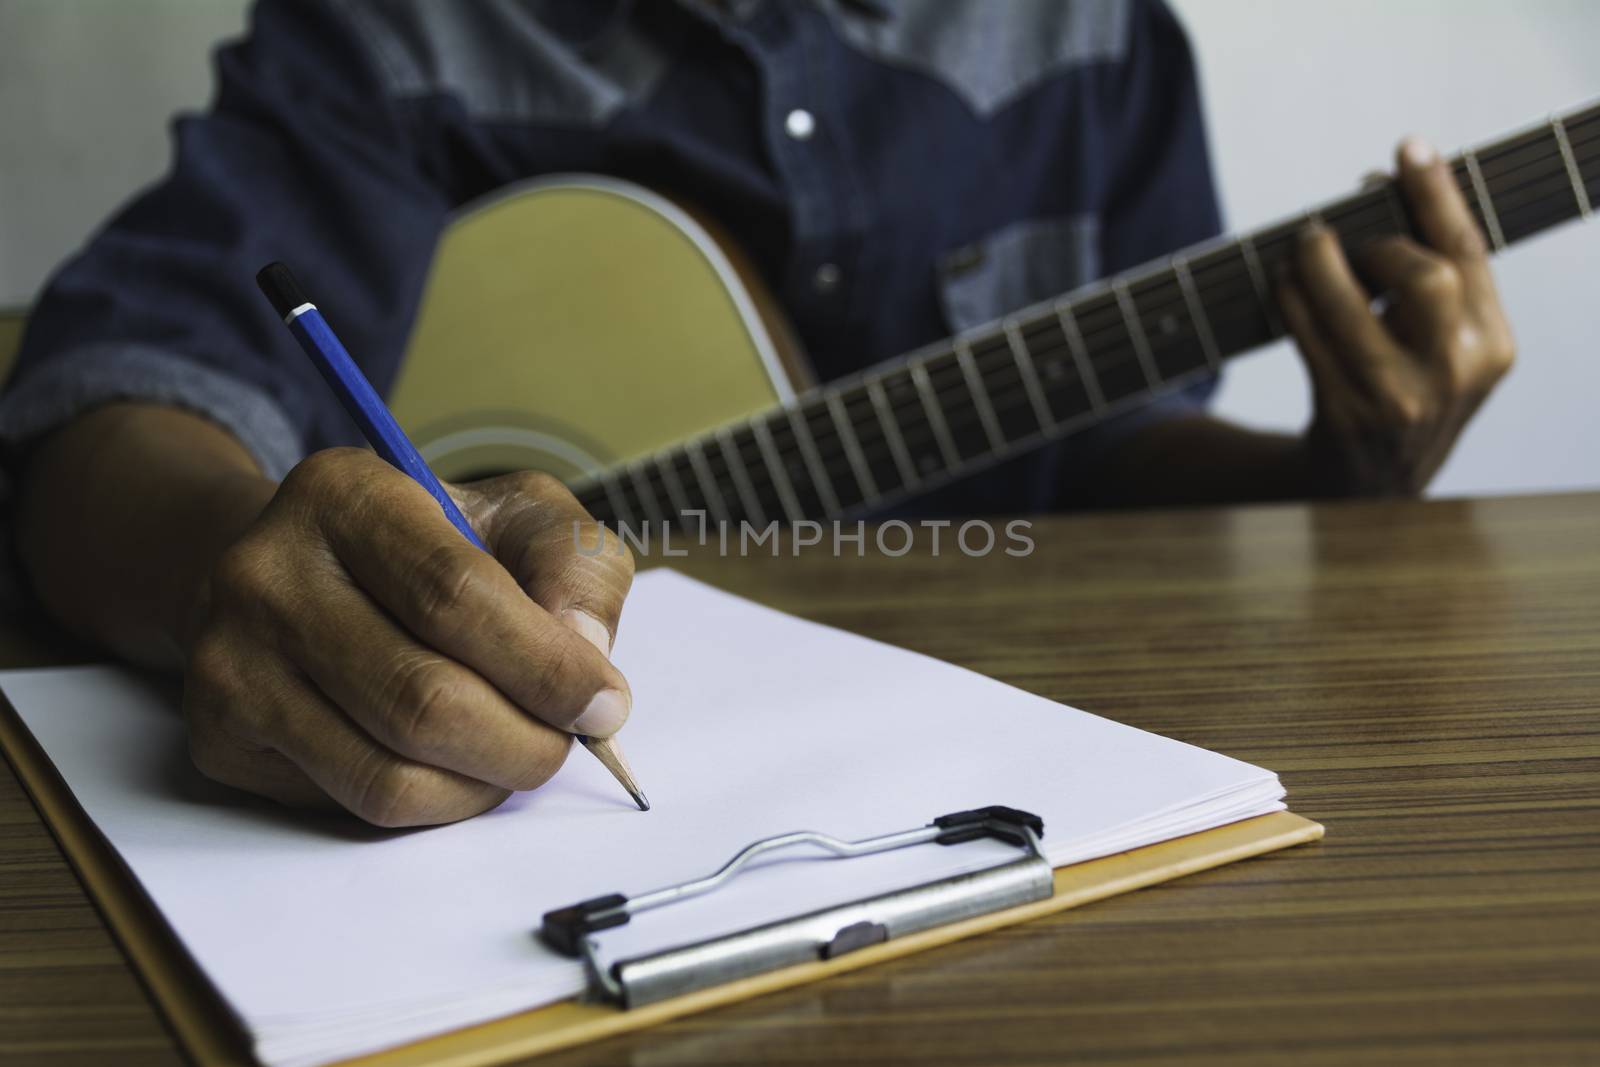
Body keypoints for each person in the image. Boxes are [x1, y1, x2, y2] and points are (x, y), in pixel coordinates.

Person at [0, 0, 1513, 826]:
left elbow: (1104, 454)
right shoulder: (396, 38)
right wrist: (253, 575)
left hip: (1006, 786)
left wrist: (1338, 467)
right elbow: (111, 403)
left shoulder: (1098, 34)